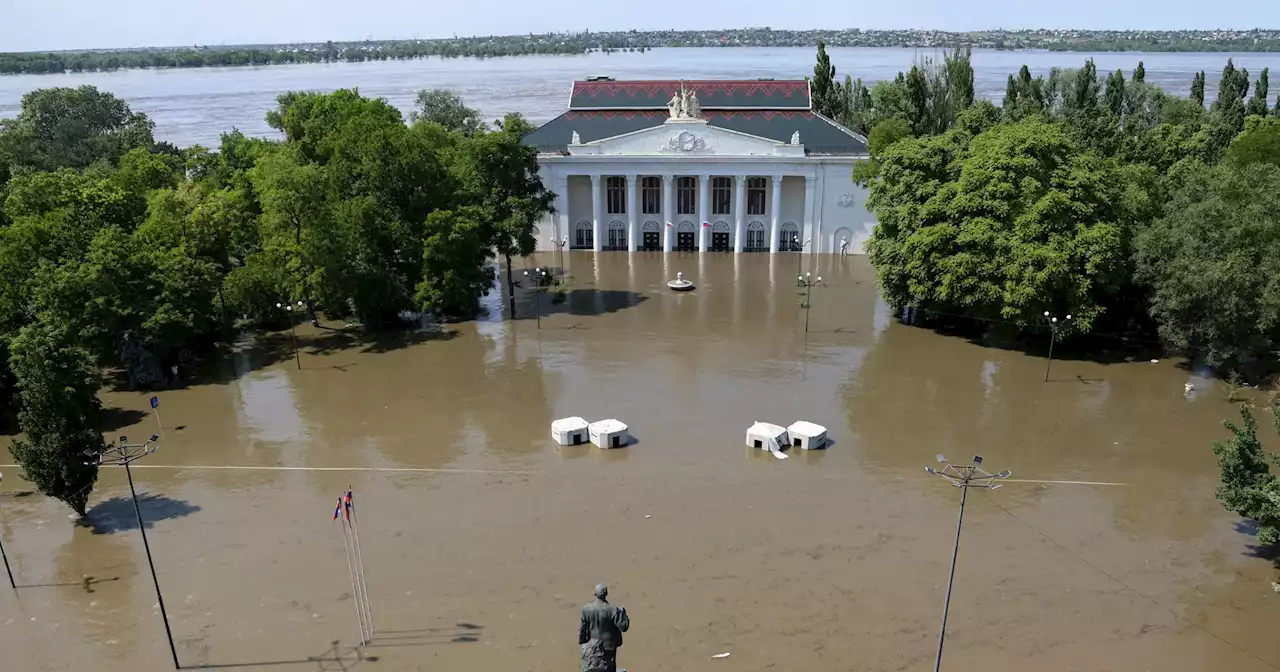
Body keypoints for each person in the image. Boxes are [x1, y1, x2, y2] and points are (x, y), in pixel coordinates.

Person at [579, 584, 630, 672]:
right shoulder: (613, 610)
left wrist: (582, 642)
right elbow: (624, 627)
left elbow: (582, 629)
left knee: (589, 668)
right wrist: (624, 615)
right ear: (606, 594)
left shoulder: (586, 609)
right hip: (608, 647)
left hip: (591, 646)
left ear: (594, 593)